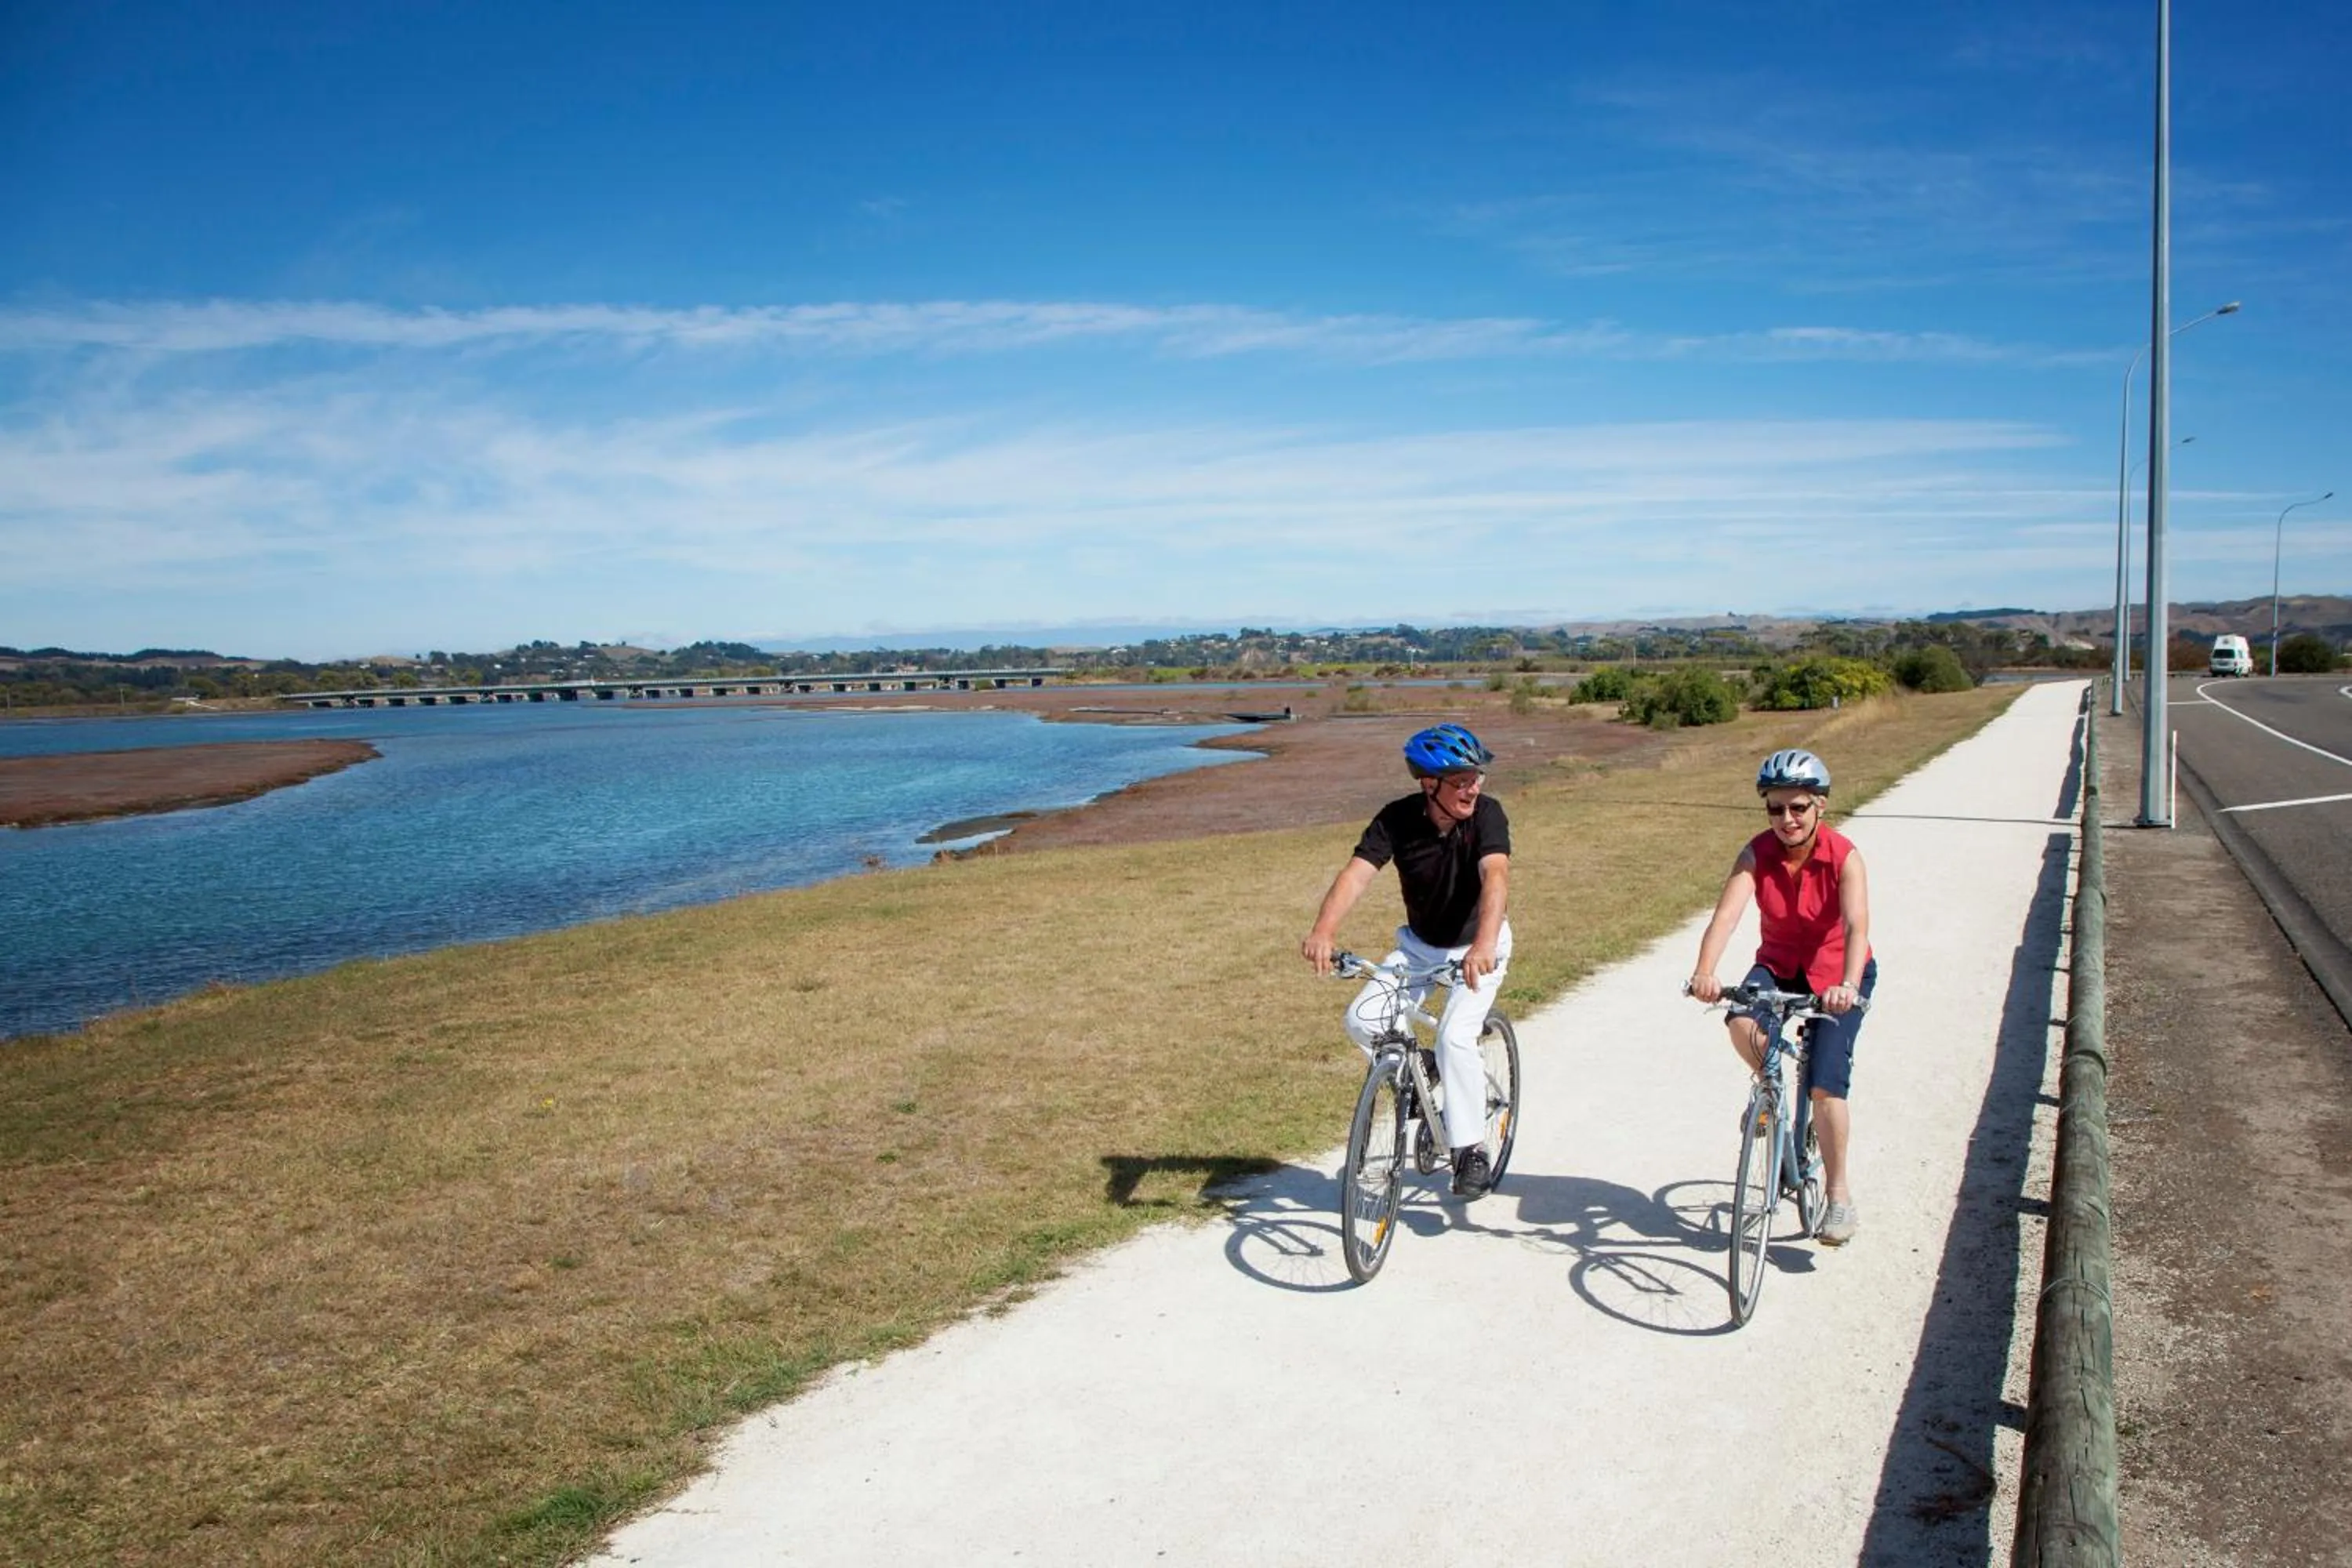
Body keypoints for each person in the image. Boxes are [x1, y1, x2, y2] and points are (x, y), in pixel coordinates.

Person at [1301, 723, 1512, 1198]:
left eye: (1477, 776)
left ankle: (1470, 1150)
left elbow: (1496, 876)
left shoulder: (1488, 817)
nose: (1473, 787)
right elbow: (1356, 876)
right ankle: (1418, 1079)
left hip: (1479, 946)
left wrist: (1483, 943)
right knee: (1361, 1019)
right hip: (1419, 947)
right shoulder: (1395, 820)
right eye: (1461, 780)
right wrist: (1324, 930)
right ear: (1428, 784)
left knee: (1456, 1034)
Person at [1687, 747, 1876, 1246]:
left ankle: (1837, 1196)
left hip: (1838, 973)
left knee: (1825, 1086)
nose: (1787, 819)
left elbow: (1857, 926)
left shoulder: (1844, 856)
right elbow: (1725, 918)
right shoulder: (1755, 854)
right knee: (1740, 1020)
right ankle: (1768, 1086)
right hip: (1778, 965)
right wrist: (1705, 972)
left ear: (1820, 806)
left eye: (1798, 807)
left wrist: (1849, 987)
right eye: (1776, 808)